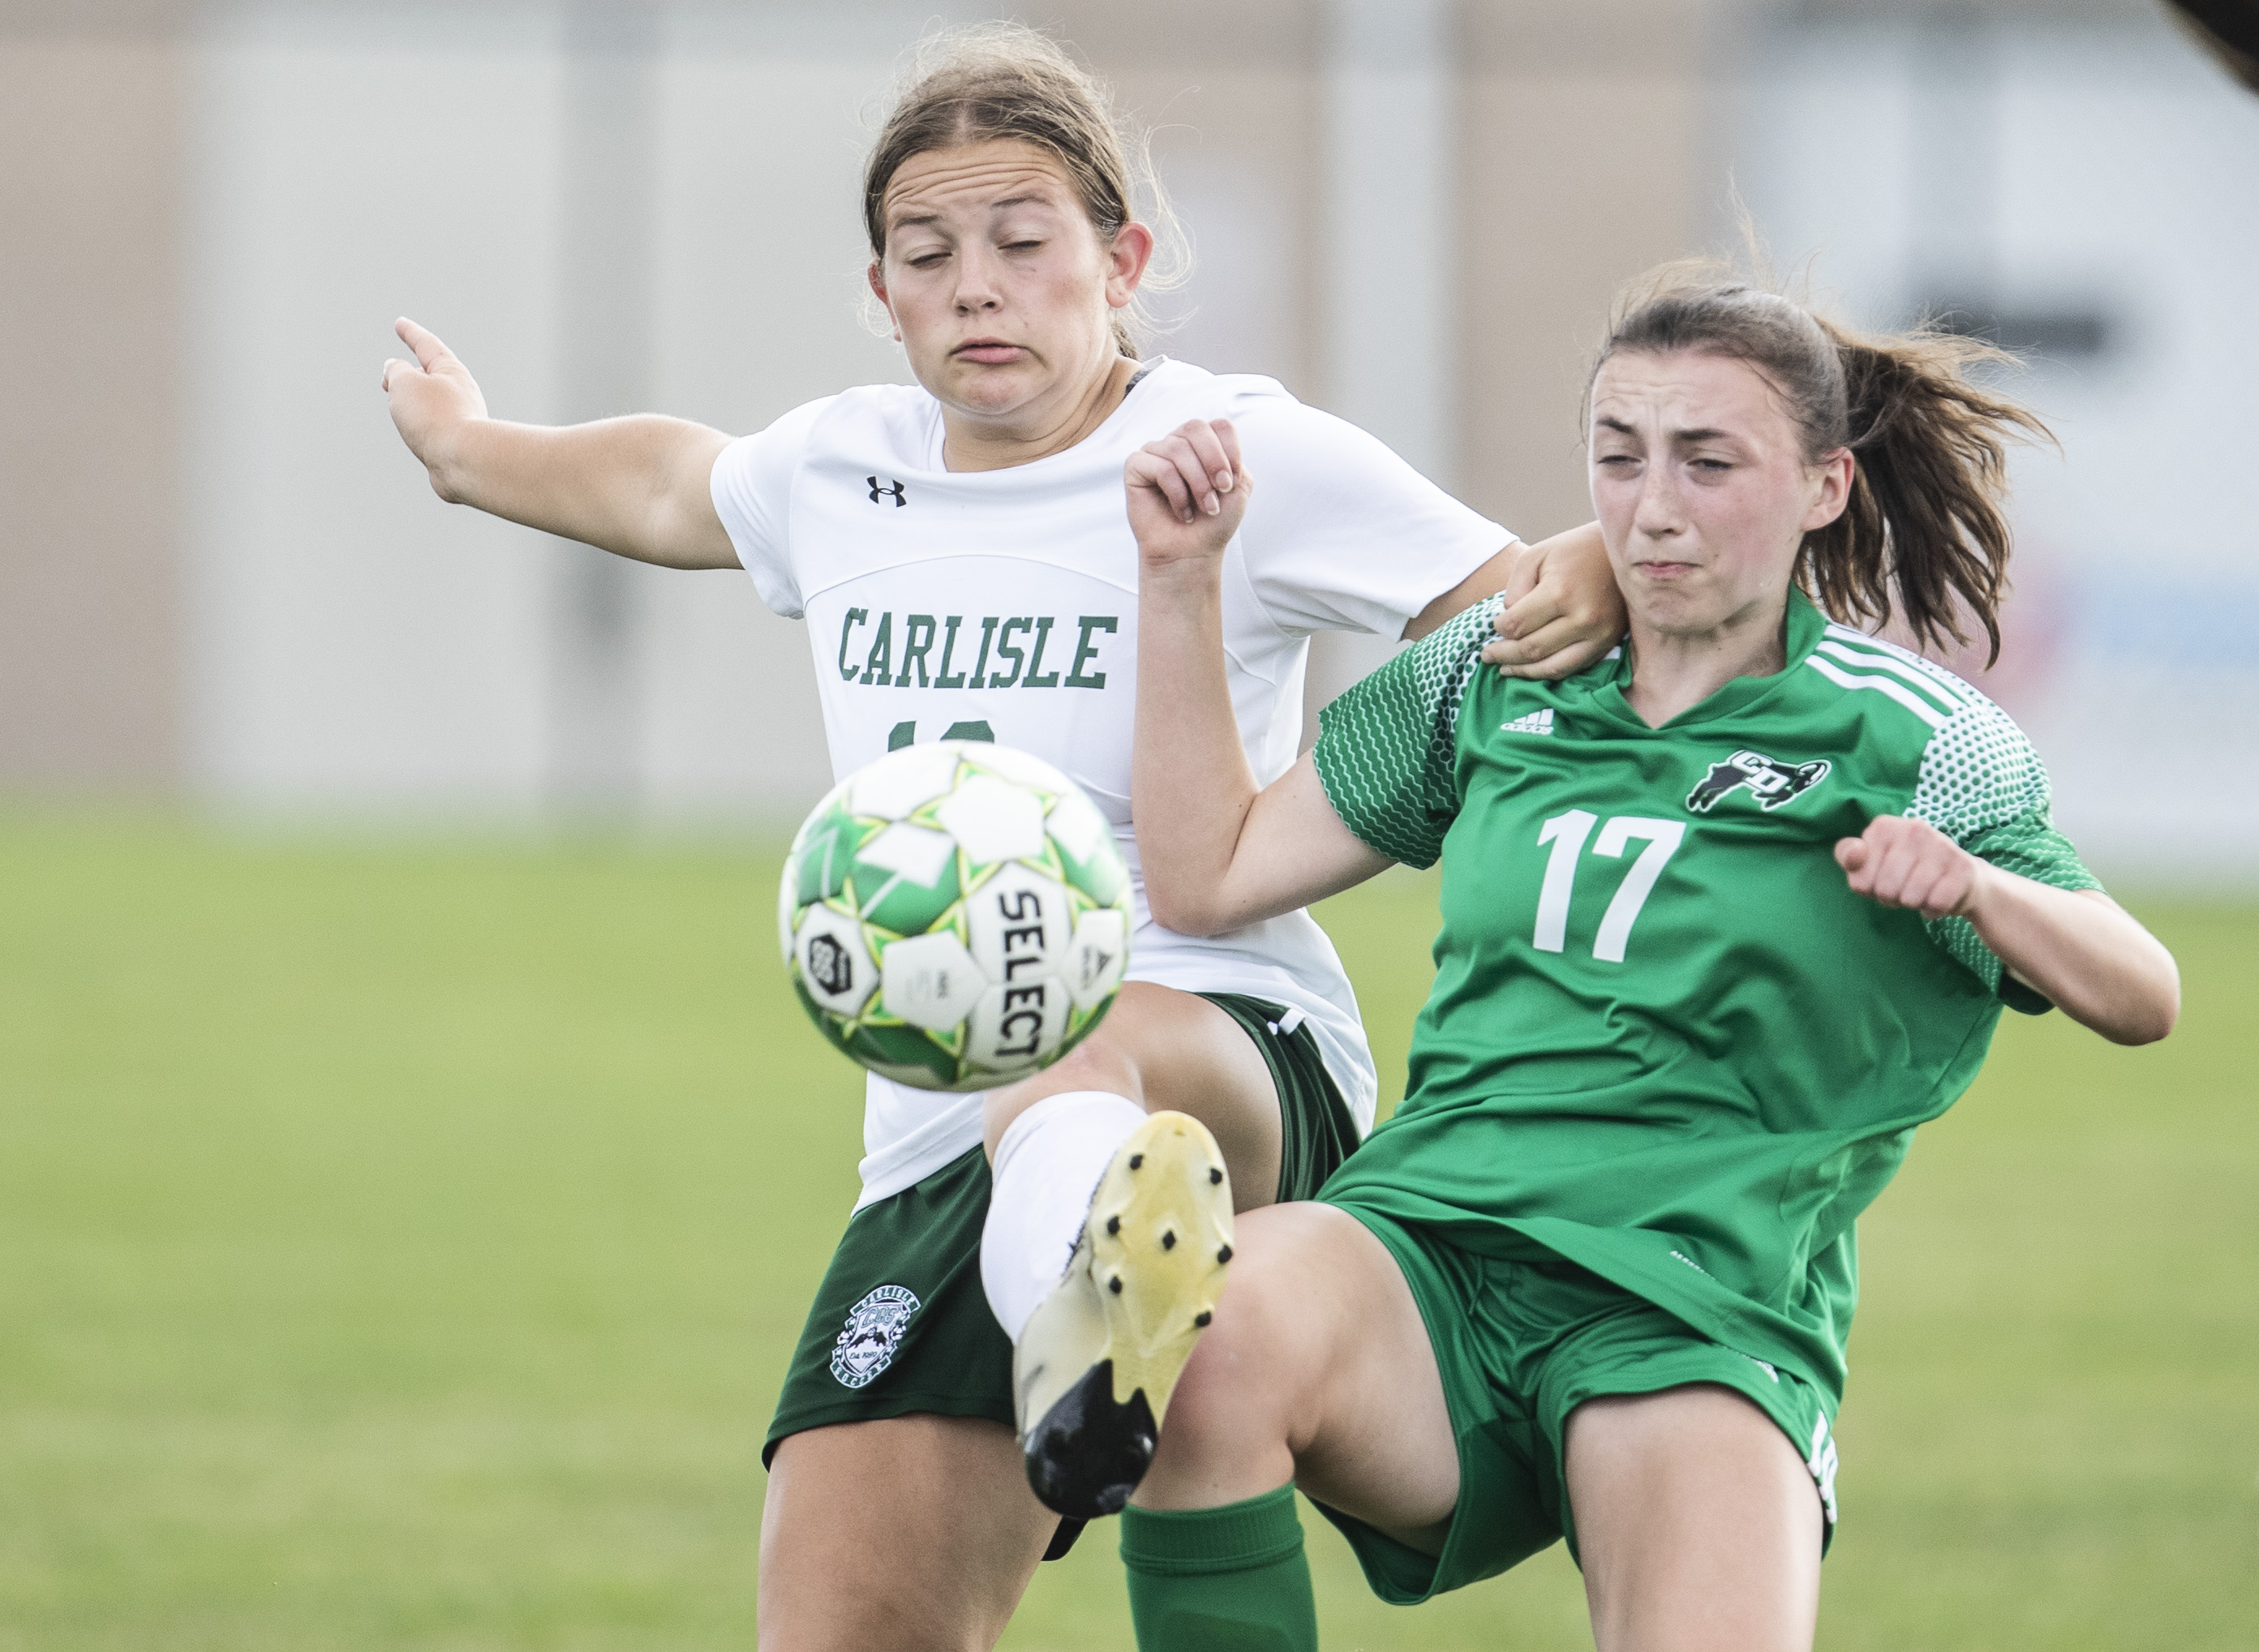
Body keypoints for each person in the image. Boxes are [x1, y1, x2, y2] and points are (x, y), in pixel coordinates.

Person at [377, 23, 1624, 1650]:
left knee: (1061, 1007)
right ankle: (1086, 1333)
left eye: (1022, 244)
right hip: (942, 1126)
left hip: (1222, 1045)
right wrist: (472, 453)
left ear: (1122, 259)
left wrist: (1605, 558)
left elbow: (1506, 606)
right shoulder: (843, 472)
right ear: (881, 291)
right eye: (928, 252)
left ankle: (1096, 1339)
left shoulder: (1232, 451)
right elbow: (676, 485)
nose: (976, 284)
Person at [1103, 272, 2180, 1650]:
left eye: (1706, 461)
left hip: (1694, 1301)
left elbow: (2138, 992)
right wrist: (1181, 579)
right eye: (1617, 458)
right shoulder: (1493, 677)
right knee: (1203, 1331)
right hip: (1433, 1248)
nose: (1652, 505)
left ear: (1824, 486)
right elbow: (1209, 875)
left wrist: (1976, 889)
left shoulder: (1913, 735)